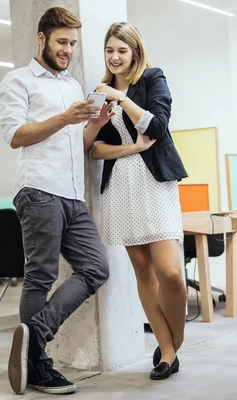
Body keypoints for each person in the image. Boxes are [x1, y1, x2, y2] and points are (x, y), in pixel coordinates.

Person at [0, 7, 113, 396]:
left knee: (96, 268)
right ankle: (39, 364)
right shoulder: (18, 80)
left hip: (72, 194)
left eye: (73, 44)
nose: (68, 50)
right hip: (38, 189)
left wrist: (94, 124)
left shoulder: (72, 86)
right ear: (42, 38)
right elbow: (15, 135)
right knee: (41, 276)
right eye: (62, 42)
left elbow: (77, 144)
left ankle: (31, 337)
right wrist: (65, 118)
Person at [89, 22, 188, 380]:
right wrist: (129, 147)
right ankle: (166, 350)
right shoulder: (99, 92)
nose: (114, 57)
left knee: (171, 273)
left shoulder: (152, 79)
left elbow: (158, 128)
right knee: (143, 271)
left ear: (135, 52)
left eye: (121, 51)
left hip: (155, 183)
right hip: (121, 187)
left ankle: (174, 342)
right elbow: (95, 149)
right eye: (109, 50)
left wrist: (123, 98)